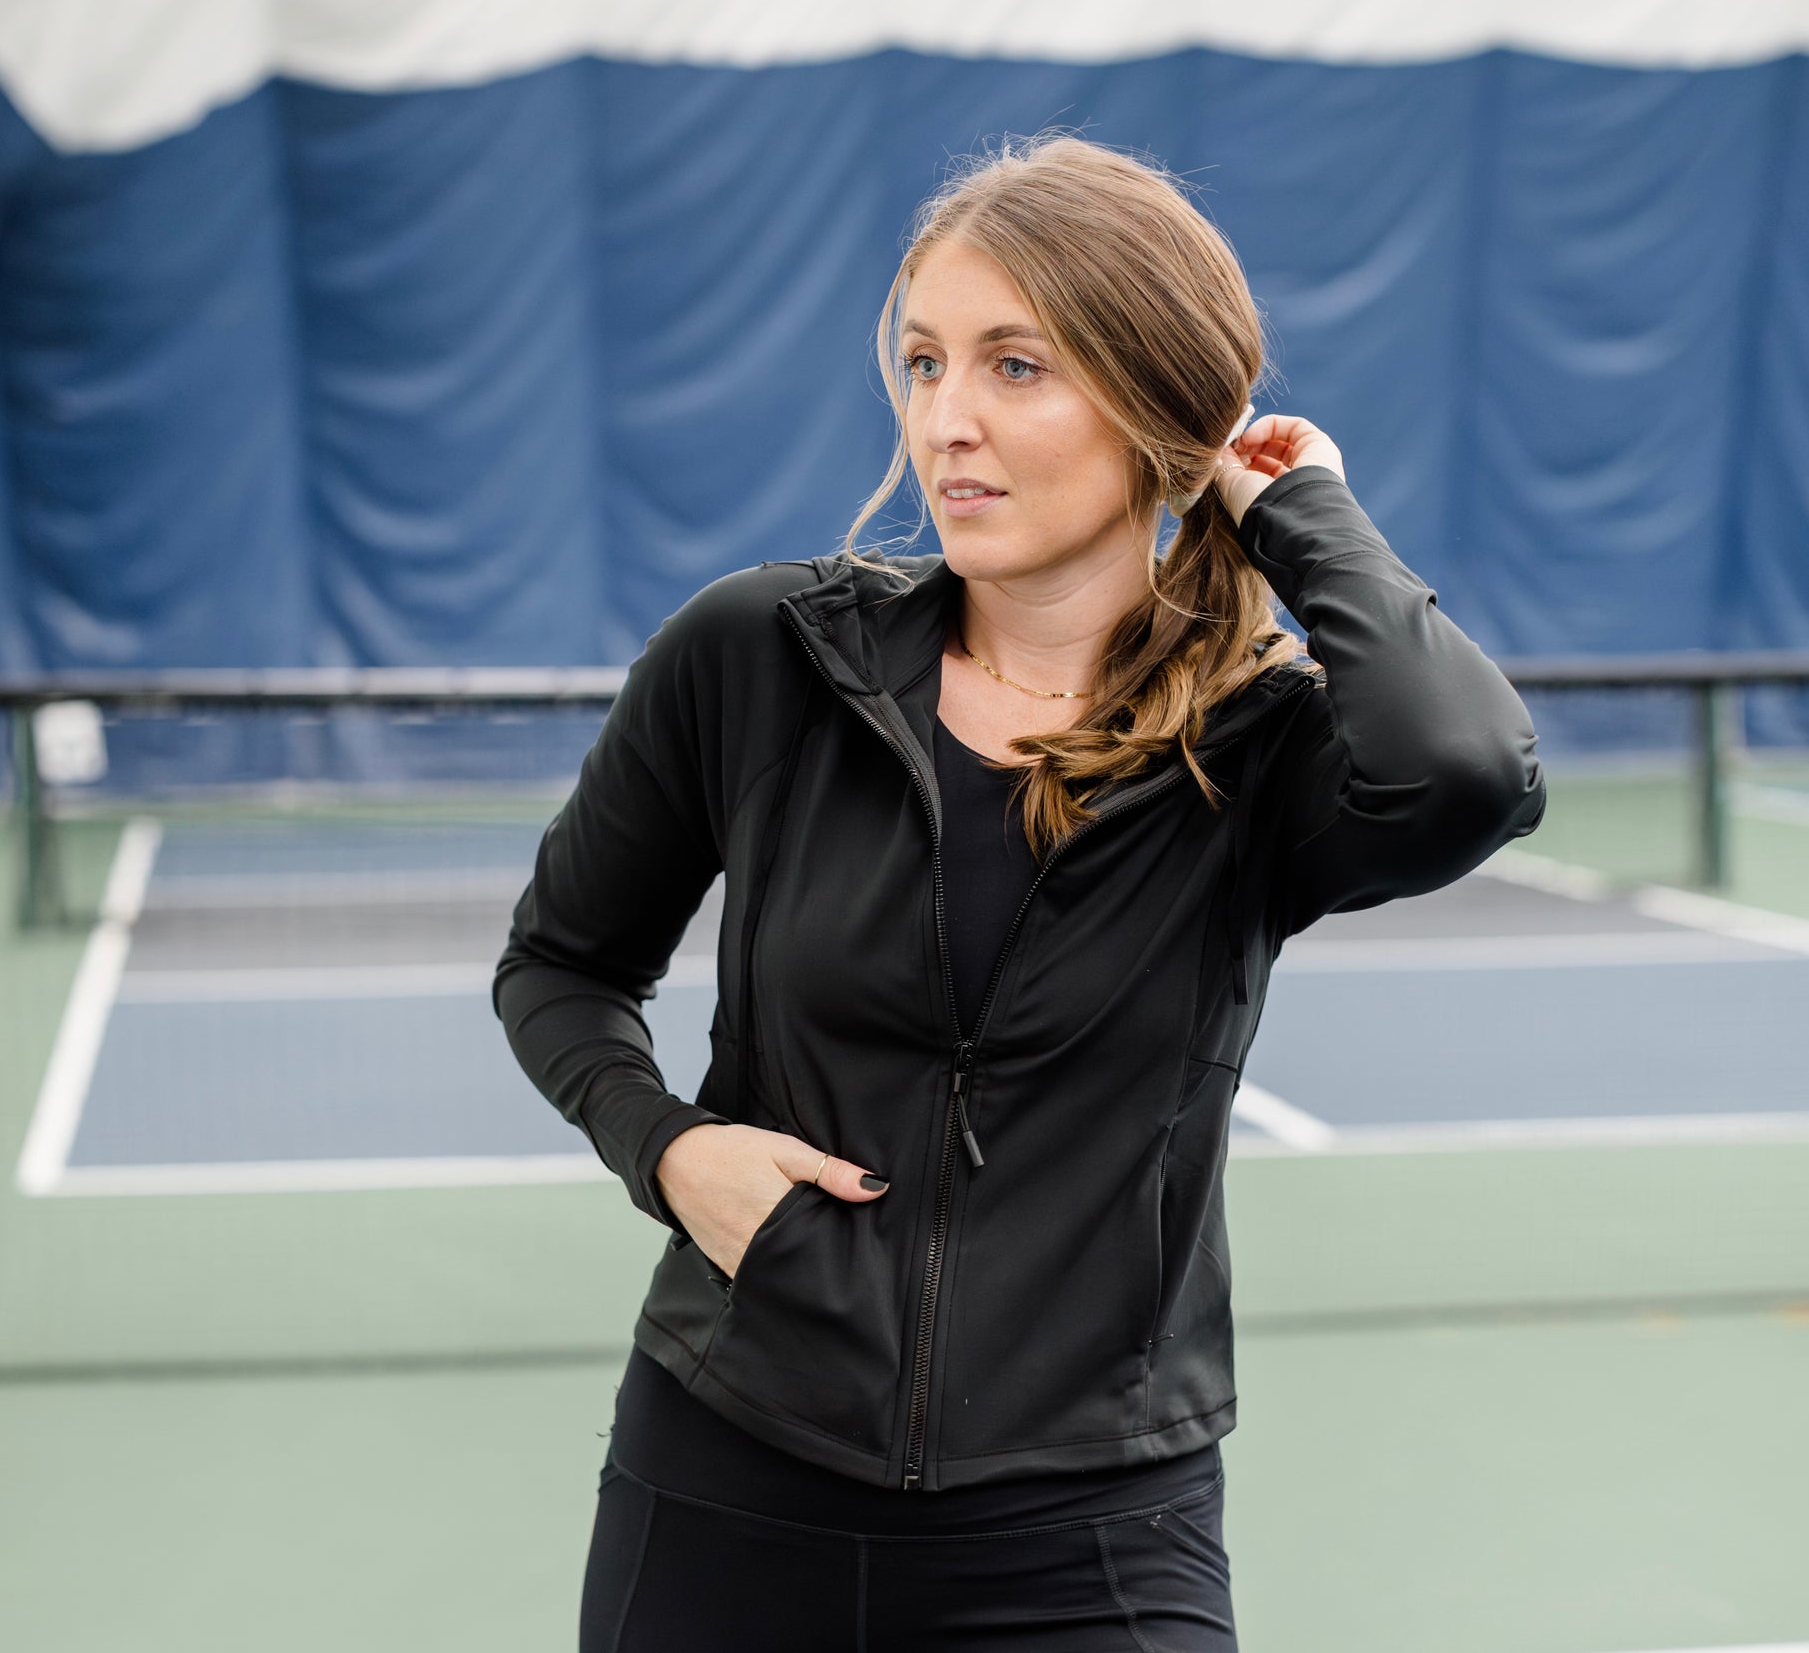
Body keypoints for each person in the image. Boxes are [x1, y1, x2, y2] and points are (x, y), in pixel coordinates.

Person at [494, 135, 1547, 1650]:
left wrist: (1285, 498)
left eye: (1018, 366)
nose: (950, 423)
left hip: (1093, 1540)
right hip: (730, 1487)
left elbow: (1461, 772)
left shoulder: (1257, 755)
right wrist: (670, 1152)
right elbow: (557, 965)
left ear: (1156, 405)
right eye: (925, 364)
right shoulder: (759, 660)